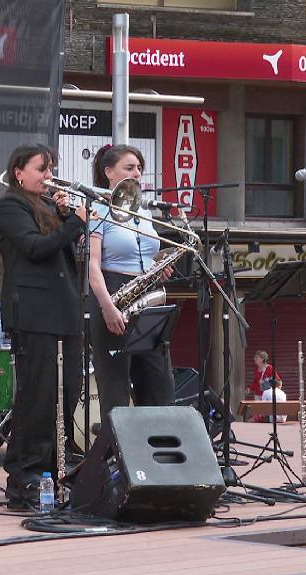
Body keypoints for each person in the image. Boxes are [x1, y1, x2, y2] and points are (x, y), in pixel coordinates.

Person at [0, 144, 87, 509]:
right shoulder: (10, 207)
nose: (49, 175)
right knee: (37, 395)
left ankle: (52, 468)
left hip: (63, 310)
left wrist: (68, 220)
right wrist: (74, 221)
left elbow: (68, 253)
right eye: (41, 169)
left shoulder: (50, 207)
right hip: (33, 313)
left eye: (51, 169)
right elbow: (36, 248)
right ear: (19, 172)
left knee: (67, 392)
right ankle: (23, 475)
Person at [88, 144, 175, 427]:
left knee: (159, 383)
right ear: (109, 172)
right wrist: (107, 306)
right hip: (114, 292)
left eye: (139, 168)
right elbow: (92, 264)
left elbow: (144, 254)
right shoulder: (98, 209)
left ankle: (161, 456)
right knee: (116, 390)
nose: (137, 173)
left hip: (145, 292)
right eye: (129, 167)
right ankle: (117, 461)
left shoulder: (144, 212)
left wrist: (156, 267)